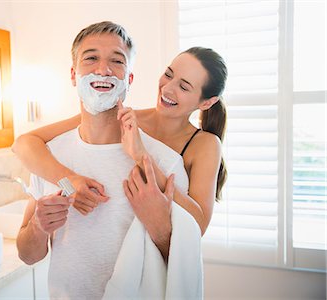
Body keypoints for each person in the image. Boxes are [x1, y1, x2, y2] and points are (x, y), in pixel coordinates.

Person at [16, 21, 201, 299]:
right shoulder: (49, 158)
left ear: (129, 79)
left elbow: (183, 262)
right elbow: (27, 255)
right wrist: (38, 227)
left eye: (117, 61)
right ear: (72, 74)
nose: (103, 69)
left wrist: (159, 227)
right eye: (91, 58)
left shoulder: (164, 163)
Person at [13, 46, 228, 235]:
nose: (167, 88)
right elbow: (24, 144)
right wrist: (71, 180)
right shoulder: (124, 118)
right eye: (168, 74)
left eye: (184, 87)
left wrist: (141, 156)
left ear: (207, 103)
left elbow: (197, 226)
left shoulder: (204, 145)